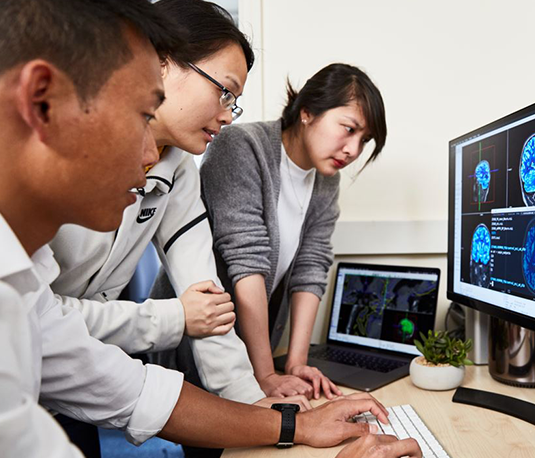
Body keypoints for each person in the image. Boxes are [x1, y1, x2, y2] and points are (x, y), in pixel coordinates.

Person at [0, 1, 421, 457]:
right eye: (143, 115)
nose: (149, 164)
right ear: (42, 99)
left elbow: (117, 377)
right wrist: (175, 319)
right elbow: (236, 273)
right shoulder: (241, 149)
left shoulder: (26, 291)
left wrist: (278, 417)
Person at [154, 63, 387, 401]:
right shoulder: (240, 145)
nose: (353, 150)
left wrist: (296, 364)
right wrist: (263, 373)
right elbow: (247, 262)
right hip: (199, 339)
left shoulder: (326, 180)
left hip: (252, 349)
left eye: (364, 140)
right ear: (307, 112)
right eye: (349, 129)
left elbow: (311, 268)